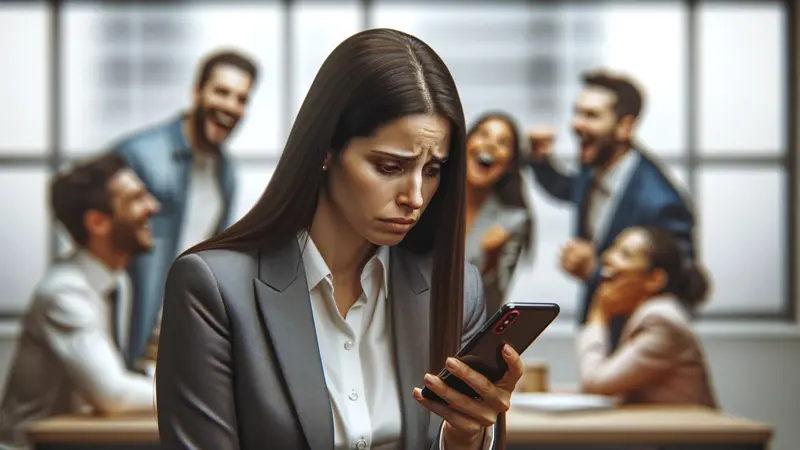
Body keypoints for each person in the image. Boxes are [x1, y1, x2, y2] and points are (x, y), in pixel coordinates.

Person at [155, 28, 524, 450]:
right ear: (326, 150)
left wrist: (467, 436)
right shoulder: (213, 289)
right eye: (389, 166)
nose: (414, 197)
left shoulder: (457, 287)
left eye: (432, 169)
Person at [108, 49, 259, 367]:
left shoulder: (226, 173)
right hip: (128, 341)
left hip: (181, 341)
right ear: (197, 91)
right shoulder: (138, 154)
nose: (230, 106)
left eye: (241, 99)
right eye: (222, 92)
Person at [0, 154, 160, 449]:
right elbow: (112, 394)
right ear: (97, 222)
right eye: (136, 199)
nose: (153, 206)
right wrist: (196, 394)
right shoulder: (64, 293)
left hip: (79, 437)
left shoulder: (117, 282)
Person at [526, 69, 695, 347]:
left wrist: (596, 271)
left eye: (591, 115)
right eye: (577, 112)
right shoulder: (591, 168)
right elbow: (567, 189)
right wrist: (539, 160)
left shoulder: (660, 202)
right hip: (596, 333)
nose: (576, 124)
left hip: (640, 345)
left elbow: (679, 290)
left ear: (624, 127)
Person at [577, 226, 717, 407]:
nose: (607, 257)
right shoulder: (651, 314)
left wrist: (599, 313)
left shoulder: (660, 320)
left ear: (655, 280)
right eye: (613, 248)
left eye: (625, 254)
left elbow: (594, 383)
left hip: (692, 434)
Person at [464, 112, 534, 314]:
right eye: (483, 135)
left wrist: (491, 262)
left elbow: (492, 305)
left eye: (503, 142)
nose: (491, 145)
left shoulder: (512, 222)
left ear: (511, 163)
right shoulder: (427, 198)